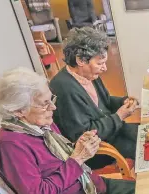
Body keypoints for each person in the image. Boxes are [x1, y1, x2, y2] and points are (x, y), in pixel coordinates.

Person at [0, 67, 135, 194]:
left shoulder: (41, 124)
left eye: (51, 99)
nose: (53, 107)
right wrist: (77, 159)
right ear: (18, 111)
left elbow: (57, 160)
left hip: (89, 186)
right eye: (44, 104)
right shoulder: (10, 146)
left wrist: (79, 145)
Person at [50, 27, 139, 169]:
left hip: (112, 133)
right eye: (100, 63)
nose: (104, 68)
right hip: (97, 150)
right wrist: (119, 116)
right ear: (80, 60)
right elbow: (85, 134)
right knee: (147, 149)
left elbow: (105, 102)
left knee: (148, 134)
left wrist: (123, 101)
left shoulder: (89, 75)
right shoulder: (64, 89)